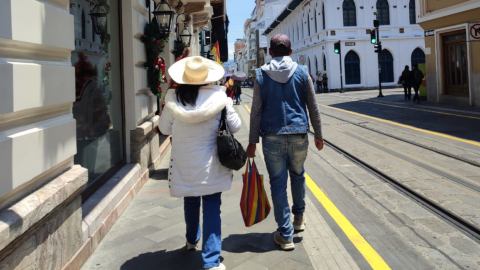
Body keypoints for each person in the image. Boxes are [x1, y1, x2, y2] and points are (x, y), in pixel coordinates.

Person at [159, 56, 242, 270]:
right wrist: (229, 105)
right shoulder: (220, 98)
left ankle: (191, 240)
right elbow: (236, 126)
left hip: (184, 163)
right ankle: (211, 262)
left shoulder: (173, 100)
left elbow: (164, 129)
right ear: (207, 77)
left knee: (191, 200)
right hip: (212, 165)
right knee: (212, 206)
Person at [246, 34, 324, 251]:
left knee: (278, 183)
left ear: (270, 53)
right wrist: (318, 135)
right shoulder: (302, 72)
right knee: (298, 175)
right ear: (291, 52)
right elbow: (313, 107)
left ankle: (286, 234)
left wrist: (252, 141)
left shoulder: (261, 74)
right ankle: (299, 219)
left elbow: (256, 111)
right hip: (299, 135)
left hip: (272, 137)